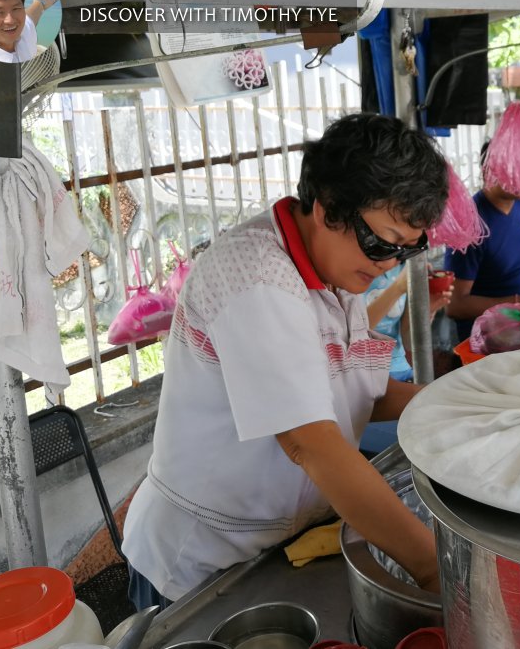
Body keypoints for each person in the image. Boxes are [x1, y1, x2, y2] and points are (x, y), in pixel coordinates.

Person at [122, 113, 448, 608]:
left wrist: (460, 402)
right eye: (382, 242)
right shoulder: (257, 280)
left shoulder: (338, 270)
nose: (387, 263)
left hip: (272, 545)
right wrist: (428, 569)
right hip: (202, 563)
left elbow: (363, 394)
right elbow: (310, 443)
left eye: (407, 250)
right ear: (328, 207)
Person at [444, 142, 520, 342]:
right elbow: (455, 306)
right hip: (491, 338)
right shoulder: (470, 223)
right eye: (515, 170)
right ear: (488, 169)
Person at [364, 265, 452, 382]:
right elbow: (354, 333)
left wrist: (427, 310)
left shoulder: (402, 266)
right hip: (362, 371)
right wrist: (397, 288)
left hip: (399, 368)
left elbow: (409, 341)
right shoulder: (351, 268)